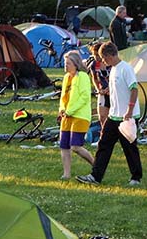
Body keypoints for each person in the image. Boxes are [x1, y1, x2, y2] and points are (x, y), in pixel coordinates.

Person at [77, 43, 142, 186]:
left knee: (130, 147)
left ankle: (136, 177)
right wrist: (108, 91)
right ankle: (95, 176)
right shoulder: (113, 70)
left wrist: (130, 110)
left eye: (103, 58)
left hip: (126, 116)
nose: (102, 61)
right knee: (103, 144)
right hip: (114, 116)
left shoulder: (126, 69)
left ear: (109, 55)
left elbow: (134, 89)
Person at [58, 51, 95, 180]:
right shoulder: (66, 78)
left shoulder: (83, 76)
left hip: (80, 116)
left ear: (75, 64)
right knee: (64, 145)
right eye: (65, 63)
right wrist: (62, 109)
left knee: (75, 146)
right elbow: (63, 96)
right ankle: (66, 174)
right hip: (66, 116)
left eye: (68, 63)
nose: (66, 65)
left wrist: (70, 110)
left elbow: (84, 97)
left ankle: (96, 166)